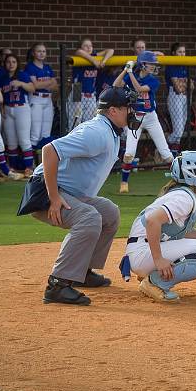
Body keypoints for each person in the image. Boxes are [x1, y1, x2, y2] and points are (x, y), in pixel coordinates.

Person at [29, 87, 132, 305]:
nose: (131, 112)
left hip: (67, 192)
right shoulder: (97, 132)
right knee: (89, 217)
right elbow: (49, 150)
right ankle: (57, 284)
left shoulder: (109, 130)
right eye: (127, 108)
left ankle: (81, 272)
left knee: (109, 213)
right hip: (43, 191)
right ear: (113, 111)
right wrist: (54, 198)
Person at [118, 151, 196, 302]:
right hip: (144, 252)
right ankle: (155, 282)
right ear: (192, 174)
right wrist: (158, 260)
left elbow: (184, 233)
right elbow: (152, 221)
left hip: (142, 250)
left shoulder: (182, 195)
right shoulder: (184, 198)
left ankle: (153, 274)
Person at [114, 51, 174, 193]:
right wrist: (125, 70)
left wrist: (130, 74)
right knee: (129, 153)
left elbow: (140, 89)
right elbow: (116, 85)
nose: (154, 66)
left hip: (150, 117)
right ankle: (124, 183)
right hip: (135, 116)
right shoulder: (131, 76)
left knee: (166, 153)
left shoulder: (153, 80)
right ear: (142, 65)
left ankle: (179, 179)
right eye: (151, 64)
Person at [0, 54, 33, 178]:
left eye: (14, 62)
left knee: (24, 139)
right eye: (8, 62)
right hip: (8, 109)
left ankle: (29, 167)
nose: (11, 64)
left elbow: (32, 88)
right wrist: (1, 108)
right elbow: (1, 96)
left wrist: (21, 84)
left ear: (17, 63)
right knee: (11, 141)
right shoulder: (3, 78)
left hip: (21, 108)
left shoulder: (22, 75)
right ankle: (13, 167)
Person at [72, 37, 114, 127]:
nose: (89, 48)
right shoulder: (79, 56)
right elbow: (78, 52)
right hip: (77, 92)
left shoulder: (95, 55)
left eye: (90, 46)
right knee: (75, 123)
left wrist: (104, 61)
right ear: (81, 47)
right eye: (85, 46)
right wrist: (94, 61)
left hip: (91, 94)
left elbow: (110, 50)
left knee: (89, 124)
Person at [24, 43, 58, 151]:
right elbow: (35, 86)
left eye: (44, 51)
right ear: (34, 53)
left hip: (48, 99)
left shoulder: (47, 67)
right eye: (39, 51)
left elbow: (56, 86)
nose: (42, 53)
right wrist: (49, 82)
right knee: (35, 132)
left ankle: (43, 160)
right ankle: (32, 160)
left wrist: (43, 84)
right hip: (36, 99)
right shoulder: (30, 67)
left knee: (46, 133)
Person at [164, 42, 194, 157]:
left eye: (184, 52)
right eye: (179, 52)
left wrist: (184, 84)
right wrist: (185, 83)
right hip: (175, 97)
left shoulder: (185, 65)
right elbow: (178, 87)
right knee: (178, 130)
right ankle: (165, 145)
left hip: (185, 97)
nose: (182, 54)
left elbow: (191, 86)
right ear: (173, 53)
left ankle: (173, 155)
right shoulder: (171, 66)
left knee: (180, 131)